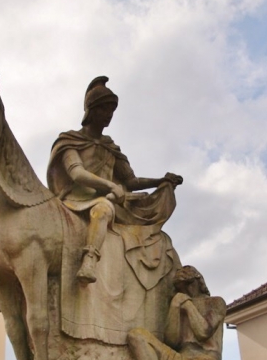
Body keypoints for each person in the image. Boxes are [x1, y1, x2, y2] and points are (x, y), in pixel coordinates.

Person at [47, 76, 182, 284]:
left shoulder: (110, 147)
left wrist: (161, 180)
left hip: (110, 202)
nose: (108, 115)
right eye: (104, 109)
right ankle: (88, 260)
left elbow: (131, 181)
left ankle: (91, 259)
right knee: (101, 208)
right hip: (75, 199)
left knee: (105, 209)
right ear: (91, 110)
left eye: (111, 110)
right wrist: (110, 185)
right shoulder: (71, 140)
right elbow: (77, 173)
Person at [127, 266, 248, 360]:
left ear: (199, 281)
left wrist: (189, 306)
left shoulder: (216, 303)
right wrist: (174, 307)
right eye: (181, 287)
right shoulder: (179, 305)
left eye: (189, 284)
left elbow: (203, 332)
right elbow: (171, 342)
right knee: (136, 335)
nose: (187, 290)